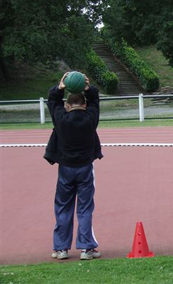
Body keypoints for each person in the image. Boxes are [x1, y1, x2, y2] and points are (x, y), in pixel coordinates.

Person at [44, 72, 103, 260]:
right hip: (85, 168)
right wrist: (88, 88)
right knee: (85, 208)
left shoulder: (60, 119)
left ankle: (60, 249)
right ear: (84, 105)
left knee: (63, 207)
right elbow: (95, 99)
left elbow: (52, 100)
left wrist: (60, 87)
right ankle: (86, 249)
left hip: (65, 169)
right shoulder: (90, 119)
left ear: (67, 105)